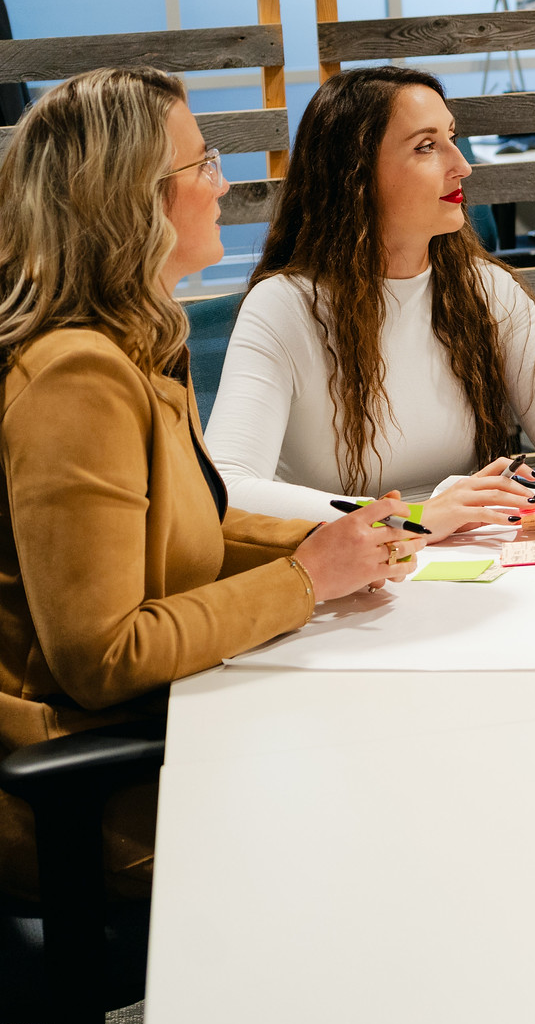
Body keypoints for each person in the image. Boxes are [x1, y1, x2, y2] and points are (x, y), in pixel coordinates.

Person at [0, 67, 415, 899]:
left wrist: (336, 545)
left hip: (156, 729)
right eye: (202, 165)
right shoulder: (75, 377)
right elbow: (104, 656)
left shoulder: (139, 341)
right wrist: (306, 579)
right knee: (389, 806)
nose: (223, 183)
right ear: (133, 198)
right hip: (82, 785)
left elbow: (186, 529)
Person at [207, 67, 535, 535]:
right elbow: (227, 490)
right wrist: (411, 518)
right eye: (426, 146)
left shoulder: (487, 289)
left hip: (467, 570)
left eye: (452, 137)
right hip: (345, 576)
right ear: (355, 176)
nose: (461, 165)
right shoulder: (284, 306)